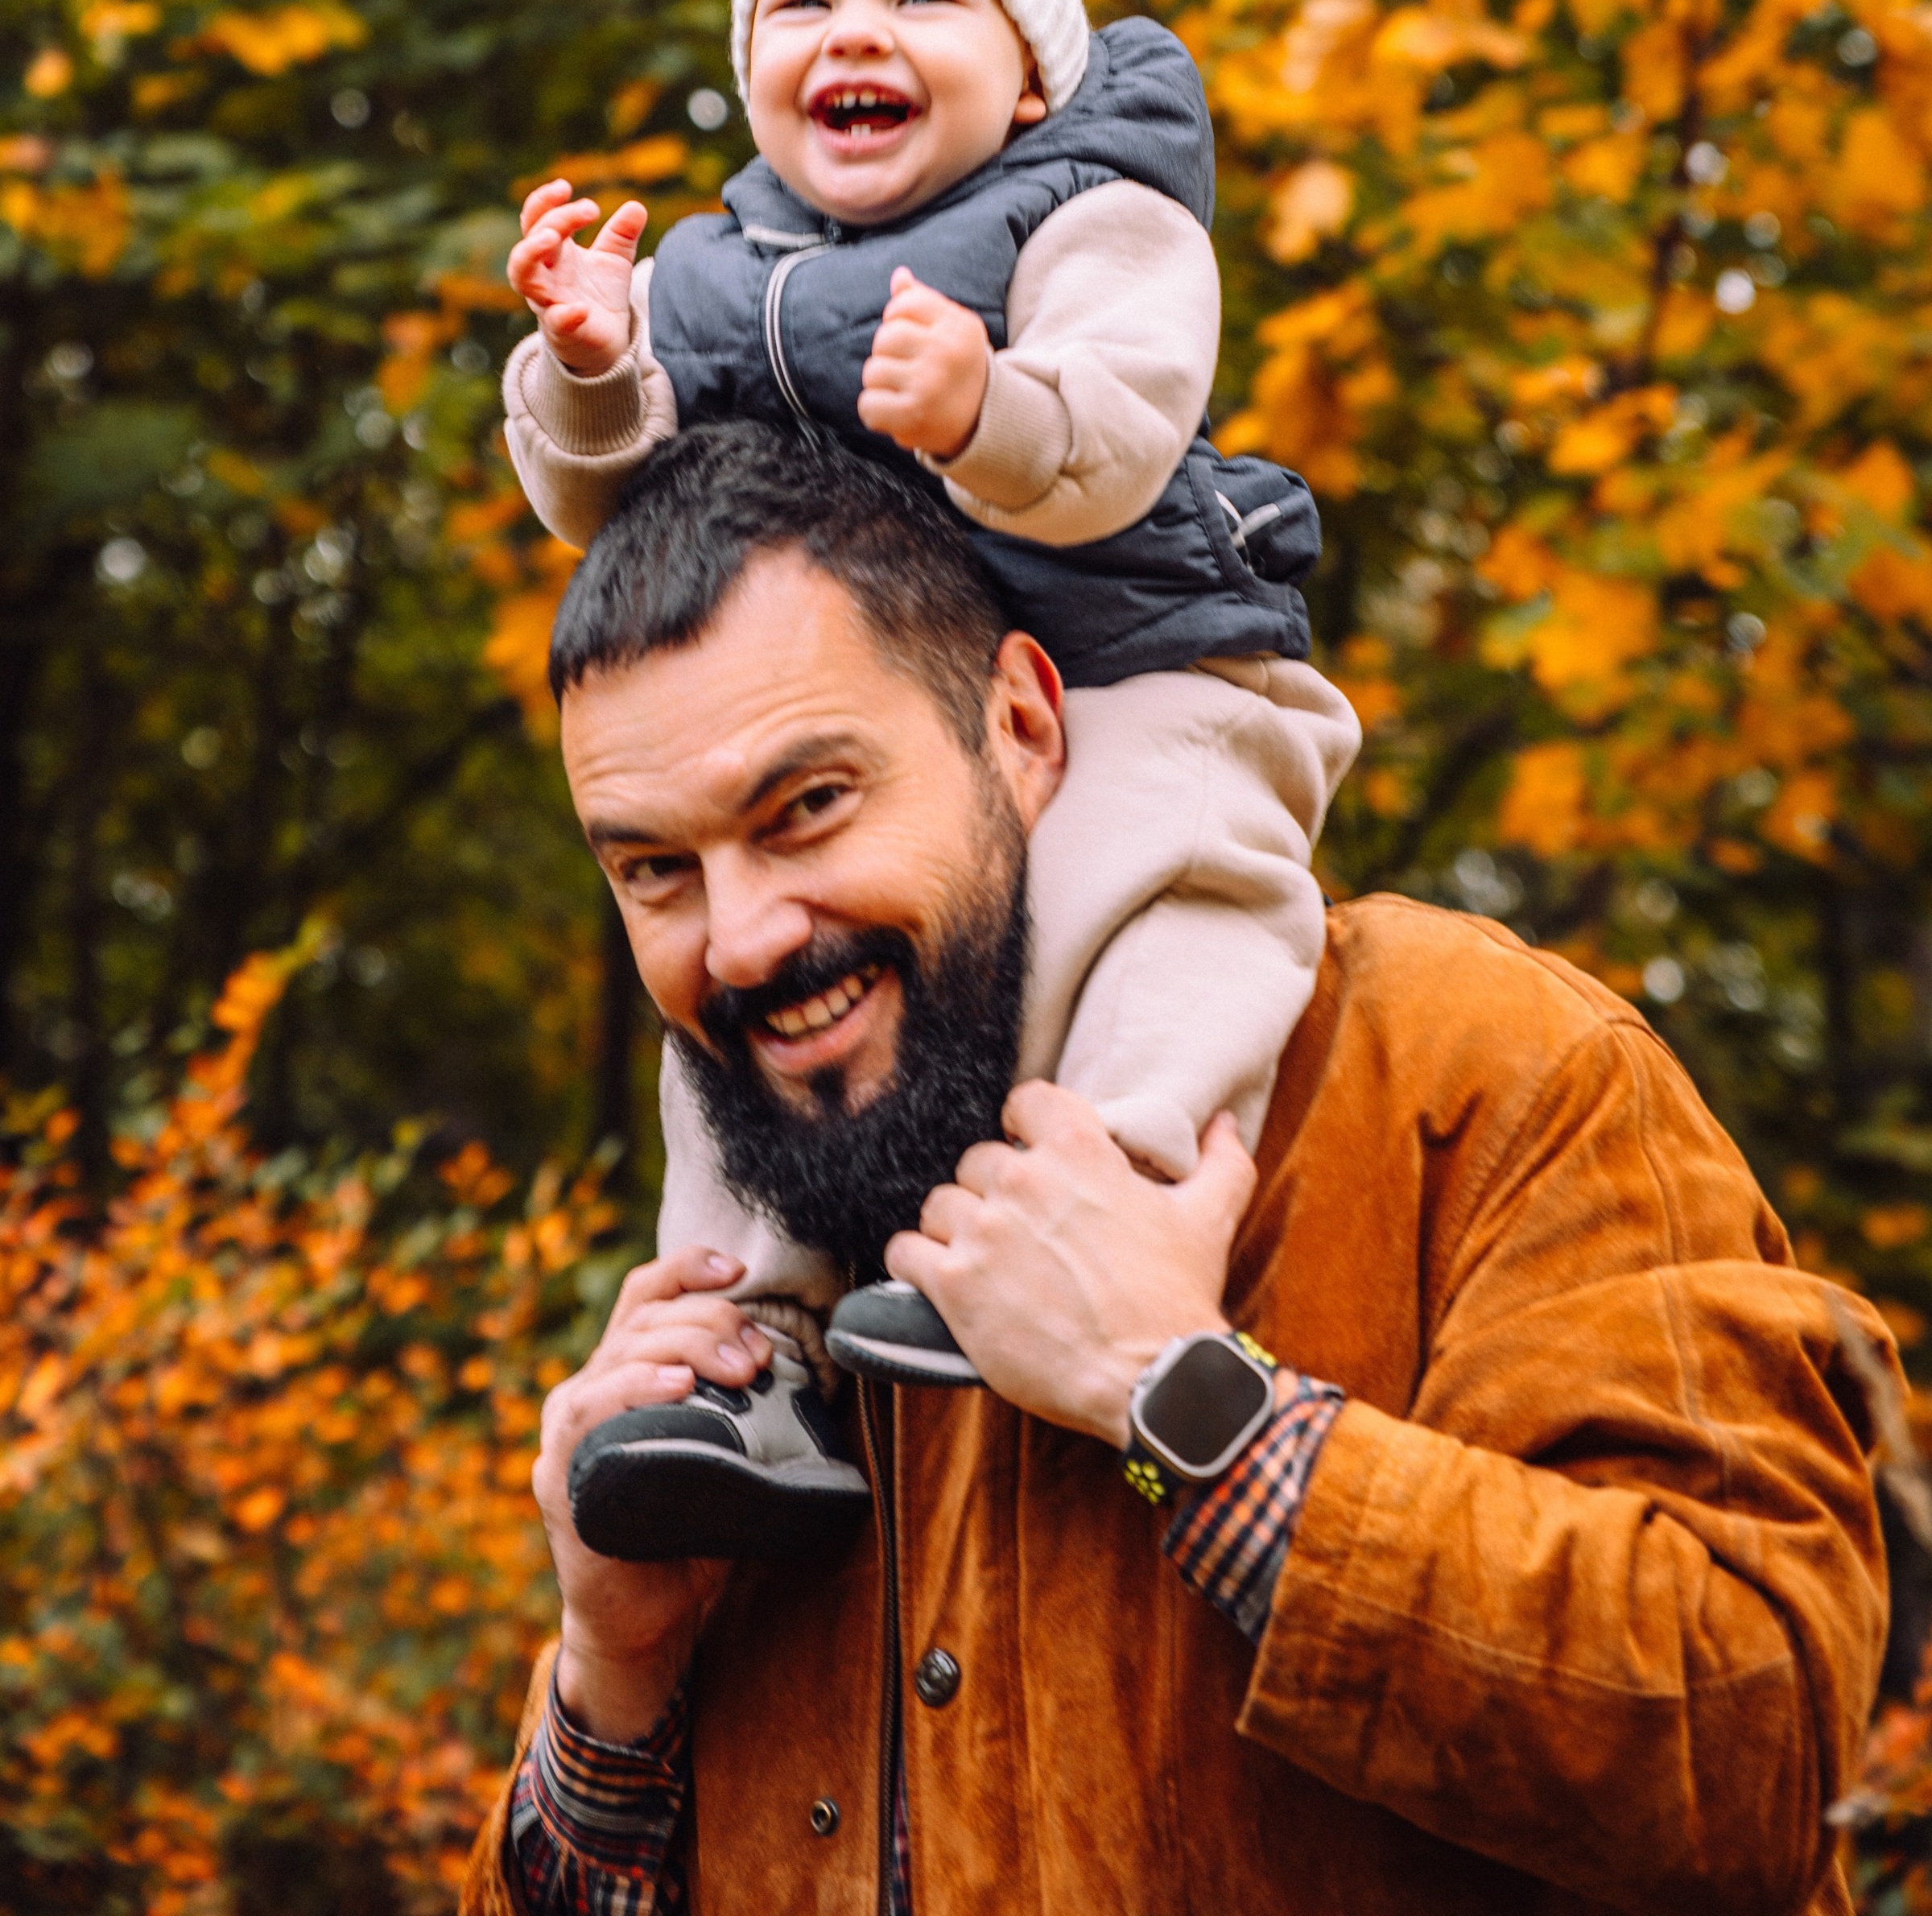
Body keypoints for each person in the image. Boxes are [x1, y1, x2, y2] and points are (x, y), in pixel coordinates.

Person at [459, 422, 1893, 1916]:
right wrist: (609, 1682)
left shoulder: (1471, 1062)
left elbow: (1763, 1756)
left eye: (808, 806)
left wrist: (1187, 1404)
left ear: (1020, 724)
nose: (742, 935)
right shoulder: (739, 1358)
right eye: (655, 872)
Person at [500, 0, 1360, 1544]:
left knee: (1161, 876)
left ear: (1030, 65)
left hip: (1147, 652)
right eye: (798, 1)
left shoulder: (1091, 204)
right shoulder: (726, 257)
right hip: (936, 681)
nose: (850, 36)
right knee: (717, 1022)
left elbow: (1121, 418)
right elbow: (598, 491)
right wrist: (588, 365)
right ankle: (747, 1359)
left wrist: (993, 410)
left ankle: (1102, 1179)